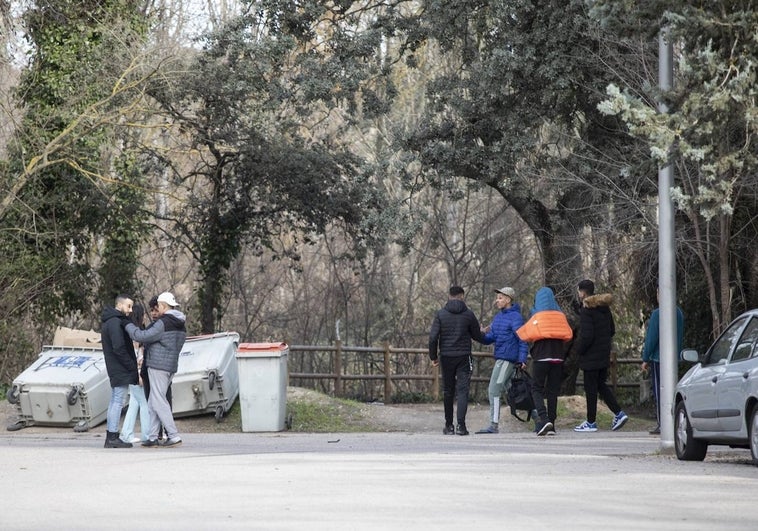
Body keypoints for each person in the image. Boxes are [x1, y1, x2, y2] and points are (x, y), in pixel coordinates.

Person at [125, 291, 187, 447]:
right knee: (153, 400)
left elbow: (143, 336)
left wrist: (128, 326)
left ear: (163, 306)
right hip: (170, 365)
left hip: (158, 365)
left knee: (159, 401)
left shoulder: (163, 323)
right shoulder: (180, 323)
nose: (156, 309)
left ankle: (173, 436)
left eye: (157, 306)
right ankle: (152, 437)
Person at [428, 285, 487, 436]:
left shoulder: (441, 314)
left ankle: (449, 426)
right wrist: (482, 332)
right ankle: (461, 426)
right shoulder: (468, 314)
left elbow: (433, 337)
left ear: (449, 296)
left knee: (448, 390)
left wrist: (433, 357)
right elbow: (477, 337)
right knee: (462, 390)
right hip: (464, 357)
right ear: (462, 296)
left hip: (446, 356)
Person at [573, 279, 628, 432]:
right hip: (603, 354)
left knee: (591, 388)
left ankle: (591, 422)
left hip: (591, 356)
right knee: (601, 386)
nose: (578, 295)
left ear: (583, 292)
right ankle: (618, 412)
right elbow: (611, 330)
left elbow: (587, 335)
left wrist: (579, 349)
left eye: (579, 291)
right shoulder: (604, 308)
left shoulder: (586, 310)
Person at [517, 287, 573, 436]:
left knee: (536, 388)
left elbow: (524, 334)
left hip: (542, 357)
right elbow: (568, 335)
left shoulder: (537, 316)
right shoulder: (560, 315)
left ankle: (544, 418)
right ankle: (552, 425)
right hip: (558, 357)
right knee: (553, 391)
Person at [475, 286, 528, 434]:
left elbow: (522, 339)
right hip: (502, 358)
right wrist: (479, 335)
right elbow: (491, 338)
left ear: (508, 299)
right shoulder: (498, 317)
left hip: (506, 359)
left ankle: (494, 425)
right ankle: (538, 419)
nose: (496, 301)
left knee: (493, 390)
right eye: (497, 298)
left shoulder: (515, 317)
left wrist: (522, 359)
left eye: (500, 298)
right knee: (515, 392)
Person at [641, 288, 684, 435]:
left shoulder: (657, 314)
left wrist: (645, 358)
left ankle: (662, 423)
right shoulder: (678, 312)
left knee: (660, 392)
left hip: (658, 358)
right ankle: (674, 420)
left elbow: (651, 338)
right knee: (672, 391)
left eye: (658, 293)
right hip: (673, 358)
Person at [100, 294, 139, 448]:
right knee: (118, 401)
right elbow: (119, 347)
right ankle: (112, 437)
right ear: (120, 305)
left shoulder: (110, 321)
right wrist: (131, 365)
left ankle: (111, 435)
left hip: (115, 366)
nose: (130, 310)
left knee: (115, 401)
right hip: (120, 367)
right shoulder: (116, 322)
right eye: (128, 306)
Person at [119, 304, 151, 443]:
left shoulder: (128, 332)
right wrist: (139, 374)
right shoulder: (136, 335)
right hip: (136, 373)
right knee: (144, 403)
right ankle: (147, 435)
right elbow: (137, 356)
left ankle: (126, 434)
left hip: (131, 372)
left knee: (134, 403)